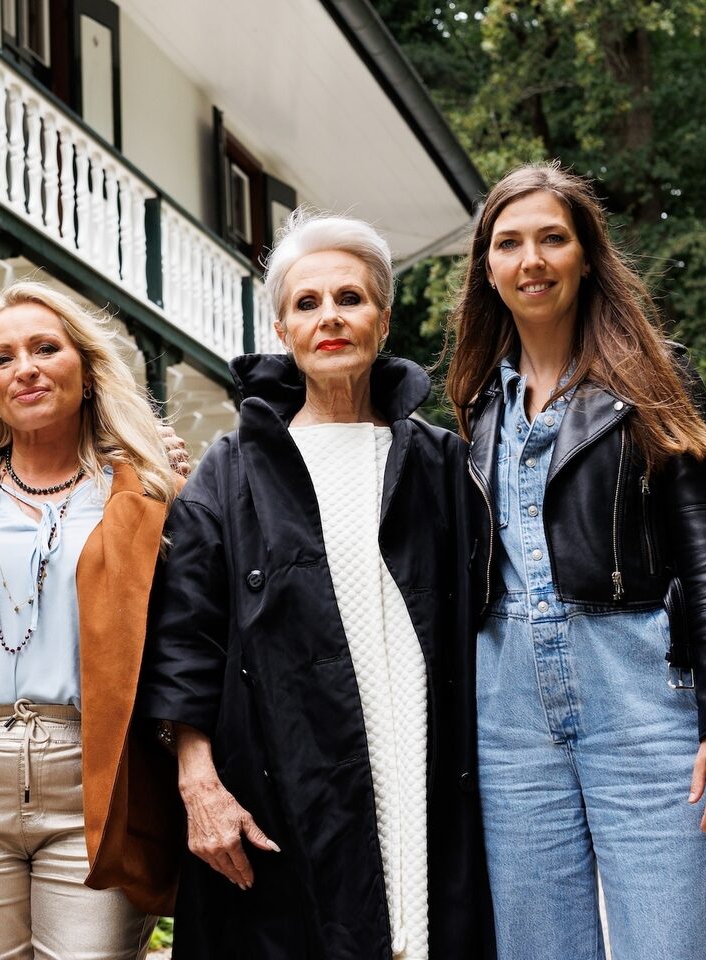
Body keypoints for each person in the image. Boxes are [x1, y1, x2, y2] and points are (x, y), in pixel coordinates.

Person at [141, 210, 494, 959]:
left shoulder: (442, 462)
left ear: (383, 321)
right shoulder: (231, 470)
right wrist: (199, 784)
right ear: (283, 329)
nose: (329, 316)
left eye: (349, 298)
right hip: (281, 788)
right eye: (307, 303)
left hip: (424, 769)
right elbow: (183, 640)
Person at [445, 163, 706, 959]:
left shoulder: (655, 380)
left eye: (552, 238)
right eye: (509, 243)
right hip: (510, 723)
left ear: (586, 255)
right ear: (486, 267)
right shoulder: (477, 407)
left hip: (644, 706)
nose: (532, 260)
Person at [0, 280, 185, 960]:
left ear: (87, 369)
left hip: (93, 777)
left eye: (45, 349)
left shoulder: (144, 493)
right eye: (3, 358)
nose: (24, 368)